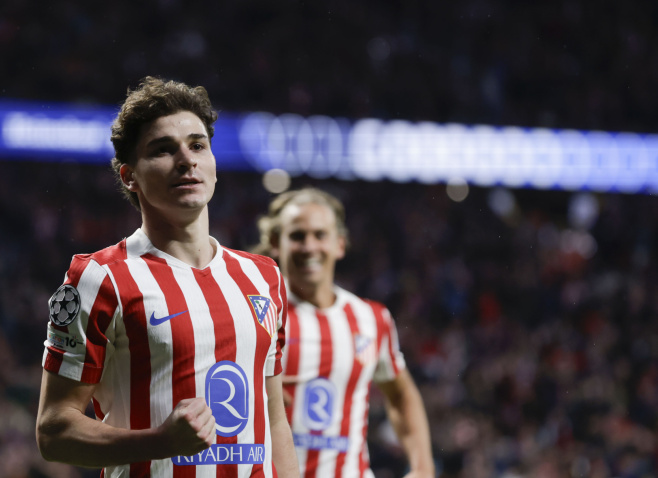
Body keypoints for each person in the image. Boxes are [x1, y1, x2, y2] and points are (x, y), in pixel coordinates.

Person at [35, 76, 299, 478]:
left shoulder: (264, 277)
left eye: (197, 145)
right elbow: (53, 430)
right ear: (129, 176)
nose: (186, 159)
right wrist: (160, 442)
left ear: (212, 162)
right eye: (163, 149)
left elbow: (275, 420)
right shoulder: (99, 277)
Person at [255, 188, 434, 478]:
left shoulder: (372, 318)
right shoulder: (259, 312)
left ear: (340, 244)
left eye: (320, 235)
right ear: (276, 243)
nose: (309, 246)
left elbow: (401, 392)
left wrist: (423, 467)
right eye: (297, 236)